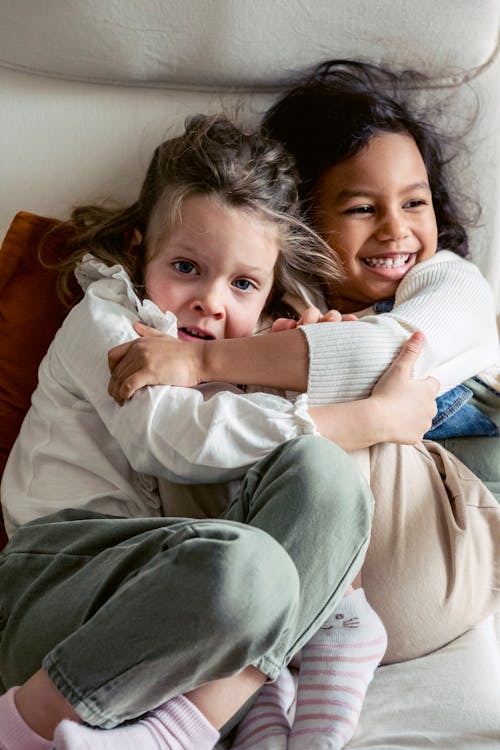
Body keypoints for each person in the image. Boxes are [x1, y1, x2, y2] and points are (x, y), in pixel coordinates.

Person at [0, 114, 435, 750]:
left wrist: (280, 376)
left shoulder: (243, 349)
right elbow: (174, 438)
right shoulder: (112, 326)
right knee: (250, 568)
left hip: (182, 631)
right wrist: (368, 419)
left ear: (268, 291)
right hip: (58, 587)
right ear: (136, 251)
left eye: (243, 283)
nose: (211, 301)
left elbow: (278, 452)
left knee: (322, 474)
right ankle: (24, 726)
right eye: (185, 266)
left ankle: (225, 715)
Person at [106, 60, 500, 670]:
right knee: (210, 421)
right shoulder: (259, 306)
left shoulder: (451, 284)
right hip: (271, 580)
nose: (398, 230)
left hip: (431, 561)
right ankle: (258, 673)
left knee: (333, 422)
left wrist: (201, 359)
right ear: (303, 224)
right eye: (362, 209)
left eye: (415, 202)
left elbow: (380, 355)